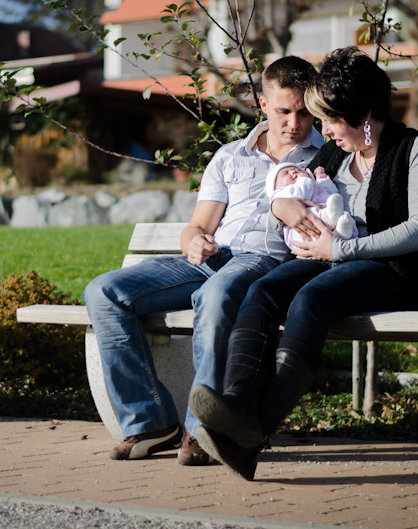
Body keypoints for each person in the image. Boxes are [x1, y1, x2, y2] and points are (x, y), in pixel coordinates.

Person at [189, 46, 418, 480]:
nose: (325, 130)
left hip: (397, 271)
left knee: (310, 299)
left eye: (332, 119)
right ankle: (237, 408)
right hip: (336, 260)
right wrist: (284, 210)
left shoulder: (417, 147)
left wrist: (340, 250)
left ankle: (253, 433)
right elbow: (288, 191)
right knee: (264, 291)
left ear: (365, 114)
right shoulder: (337, 153)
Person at [83, 56, 326, 465]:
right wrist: (195, 242)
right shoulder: (231, 156)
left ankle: (203, 430)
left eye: (303, 111)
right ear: (263, 105)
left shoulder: (327, 157)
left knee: (214, 297)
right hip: (212, 259)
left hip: (263, 263)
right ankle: (150, 423)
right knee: (104, 292)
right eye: (284, 110)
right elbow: (197, 226)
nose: (294, 122)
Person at [265, 163, 357, 250]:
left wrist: (322, 178)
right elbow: (302, 194)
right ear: (275, 186)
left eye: (296, 169)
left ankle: (342, 233)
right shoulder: (282, 194)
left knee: (343, 216)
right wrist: (304, 179)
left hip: (327, 221)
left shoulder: (311, 183)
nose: (293, 171)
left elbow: (331, 193)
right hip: (303, 231)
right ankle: (330, 219)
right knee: (312, 212)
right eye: (286, 173)